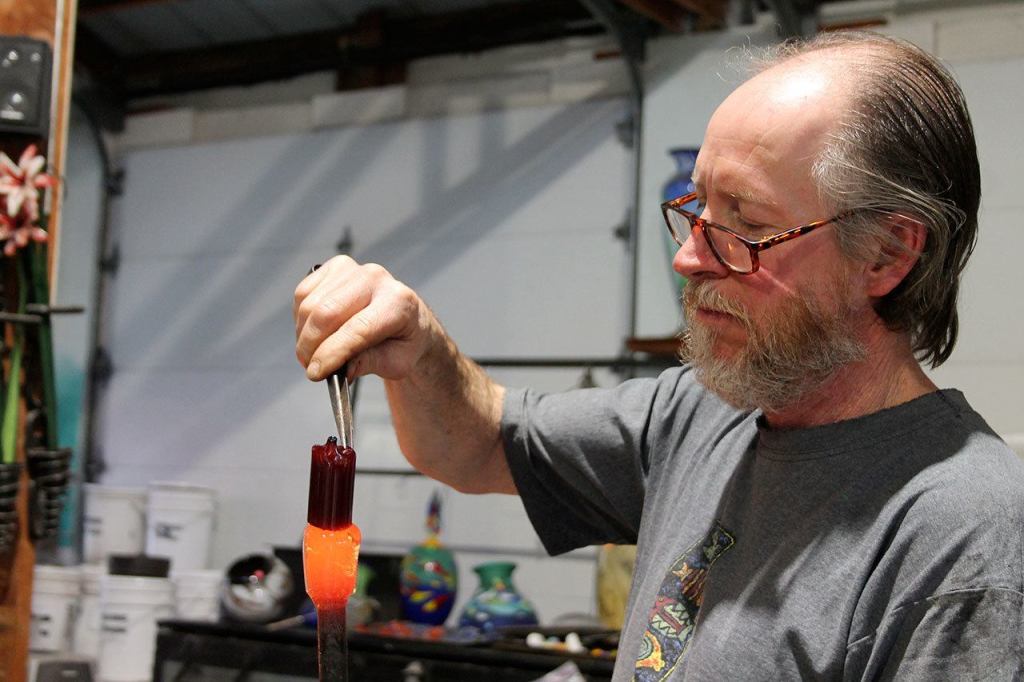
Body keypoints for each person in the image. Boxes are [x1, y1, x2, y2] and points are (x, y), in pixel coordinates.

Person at [293, 31, 1024, 680]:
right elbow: (480, 442)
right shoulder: (698, 416)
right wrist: (418, 345)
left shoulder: (963, 533)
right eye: (698, 208)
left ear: (887, 253)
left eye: (746, 225)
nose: (689, 258)